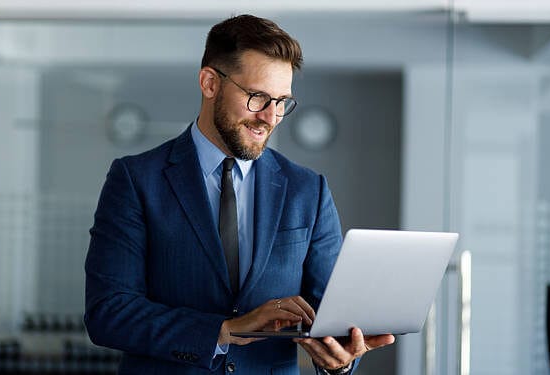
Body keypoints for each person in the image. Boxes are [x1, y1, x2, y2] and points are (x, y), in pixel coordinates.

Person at [84, 14, 394, 375]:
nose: (270, 117)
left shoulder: (308, 190)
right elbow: (109, 312)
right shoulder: (137, 180)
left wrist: (340, 361)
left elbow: (331, 316)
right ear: (209, 82)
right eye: (258, 97)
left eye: (282, 102)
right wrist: (224, 331)